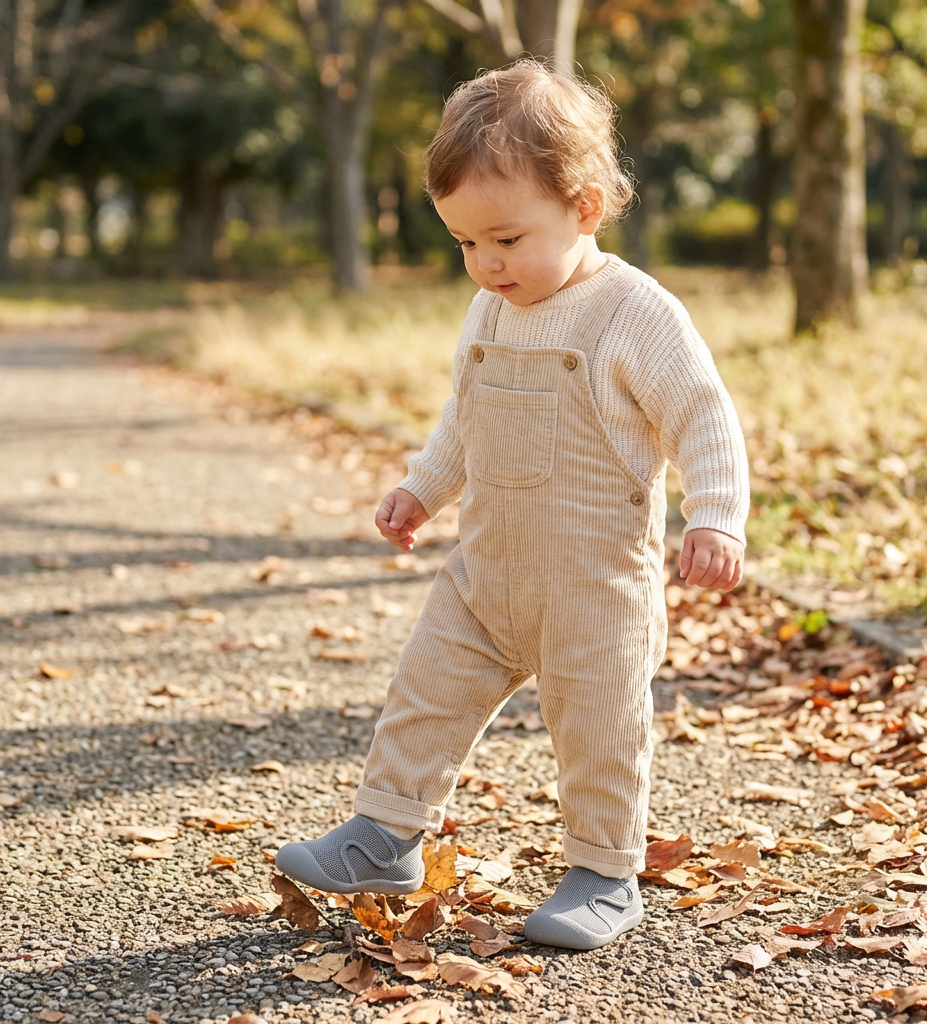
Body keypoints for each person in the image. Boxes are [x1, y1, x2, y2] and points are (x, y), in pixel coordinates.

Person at [276, 60, 749, 951]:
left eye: (505, 239)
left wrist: (717, 514)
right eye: (464, 244)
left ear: (585, 205)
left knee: (601, 733)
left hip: (594, 587)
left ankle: (605, 872)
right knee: (424, 693)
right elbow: (467, 414)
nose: (486, 265)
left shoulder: (633, 313)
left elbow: (702, 414)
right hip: (486, 575)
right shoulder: (490, 312)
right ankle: (385, 833)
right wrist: (424, 485)